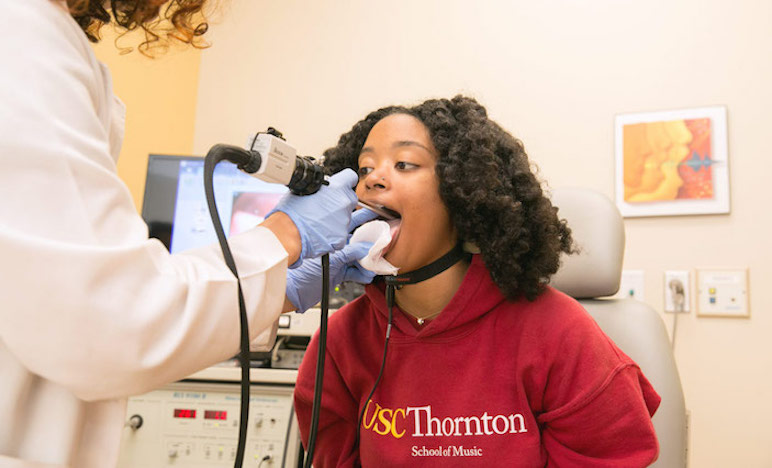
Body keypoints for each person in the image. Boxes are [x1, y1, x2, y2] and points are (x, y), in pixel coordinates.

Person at [0, 1, 375, 466]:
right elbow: (115, 317)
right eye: (373, 166)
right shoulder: (20, 38)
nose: (377, 183)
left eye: (406, 164)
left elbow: (82, 298)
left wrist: (282, 288)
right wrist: (286, 235)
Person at [294, 96, 662, 467]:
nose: (372, 178)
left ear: (461, 194)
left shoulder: (559, 332)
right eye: (364, 168)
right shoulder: (339, 341)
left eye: (404, 164)